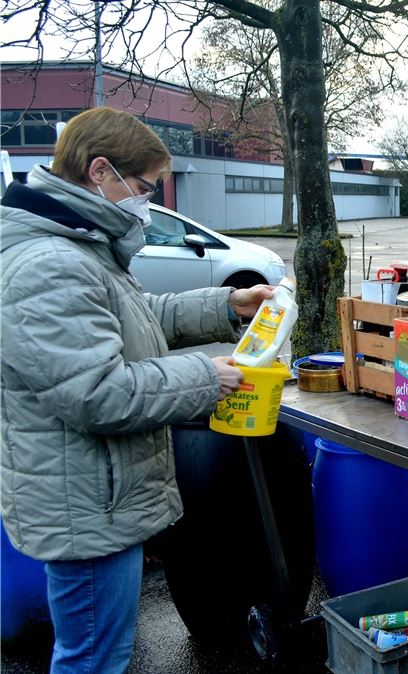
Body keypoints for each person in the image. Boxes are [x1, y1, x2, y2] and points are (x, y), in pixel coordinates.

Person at [0, 107, 276, 673]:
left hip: (94, 493)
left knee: (94, 651)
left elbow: (130, 316)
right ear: (101, 171)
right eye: (146, 187)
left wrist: (225, 304)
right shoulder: (49, 261)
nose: (147, 202)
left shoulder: (76, 242)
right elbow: (98, 391)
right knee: (94, 658)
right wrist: (208, 378)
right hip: (88, 504)